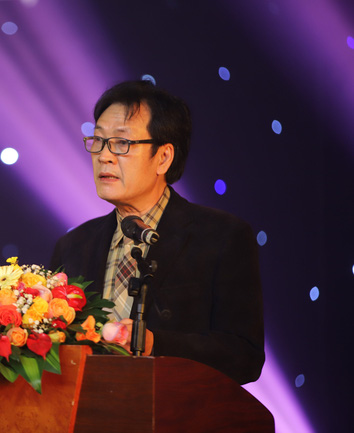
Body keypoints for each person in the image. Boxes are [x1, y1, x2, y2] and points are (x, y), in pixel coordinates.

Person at [50, 80, 264, 384]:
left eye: (121, 143)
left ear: (163, 157)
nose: (104, 156)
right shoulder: (73, 245)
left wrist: (154, 344)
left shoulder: (222, 237)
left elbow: (244, 356)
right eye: (98, 140)